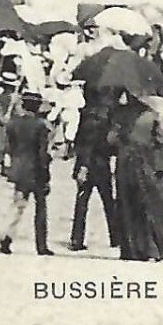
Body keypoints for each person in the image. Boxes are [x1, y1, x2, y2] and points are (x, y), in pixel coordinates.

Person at [112, 93, 163, 261]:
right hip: (149, 165)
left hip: (125, 163)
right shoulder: (154, 120)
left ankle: (132, 249)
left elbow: (111, 140)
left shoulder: (122, 116)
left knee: (127, 206)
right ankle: (157, 248)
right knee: (152, 206)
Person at [0, 91, 54, 256]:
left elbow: (8, 147)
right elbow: (42, 153)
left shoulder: (13, 123)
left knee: (18, 204)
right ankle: (41, 245)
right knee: (41, 208)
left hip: (19, 168)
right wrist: (46, 175)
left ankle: (6, 236)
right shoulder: (40, 126)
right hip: (35, 170)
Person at [68, 81, 120, 252]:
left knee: (82, 203)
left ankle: (77, 238)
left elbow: (84, 144)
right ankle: (115, 236)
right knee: (108, 202)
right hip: (102, 163)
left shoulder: (88, 116)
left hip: (88, 164)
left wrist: (82, 166)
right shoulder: (108, 115)